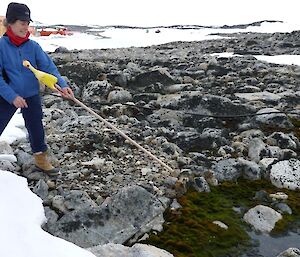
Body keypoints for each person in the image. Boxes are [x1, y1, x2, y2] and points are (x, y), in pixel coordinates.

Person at [0, 2, 73, 176]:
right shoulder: (1, 47)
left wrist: (62, 85)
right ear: (10, 23)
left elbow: (49, 67)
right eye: (22, 23)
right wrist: (12, 96)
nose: (25, 27)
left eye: (27, 23)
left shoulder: (33, 47)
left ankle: (41, 159)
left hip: (31, 94)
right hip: (8, 95)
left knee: (35, 127)